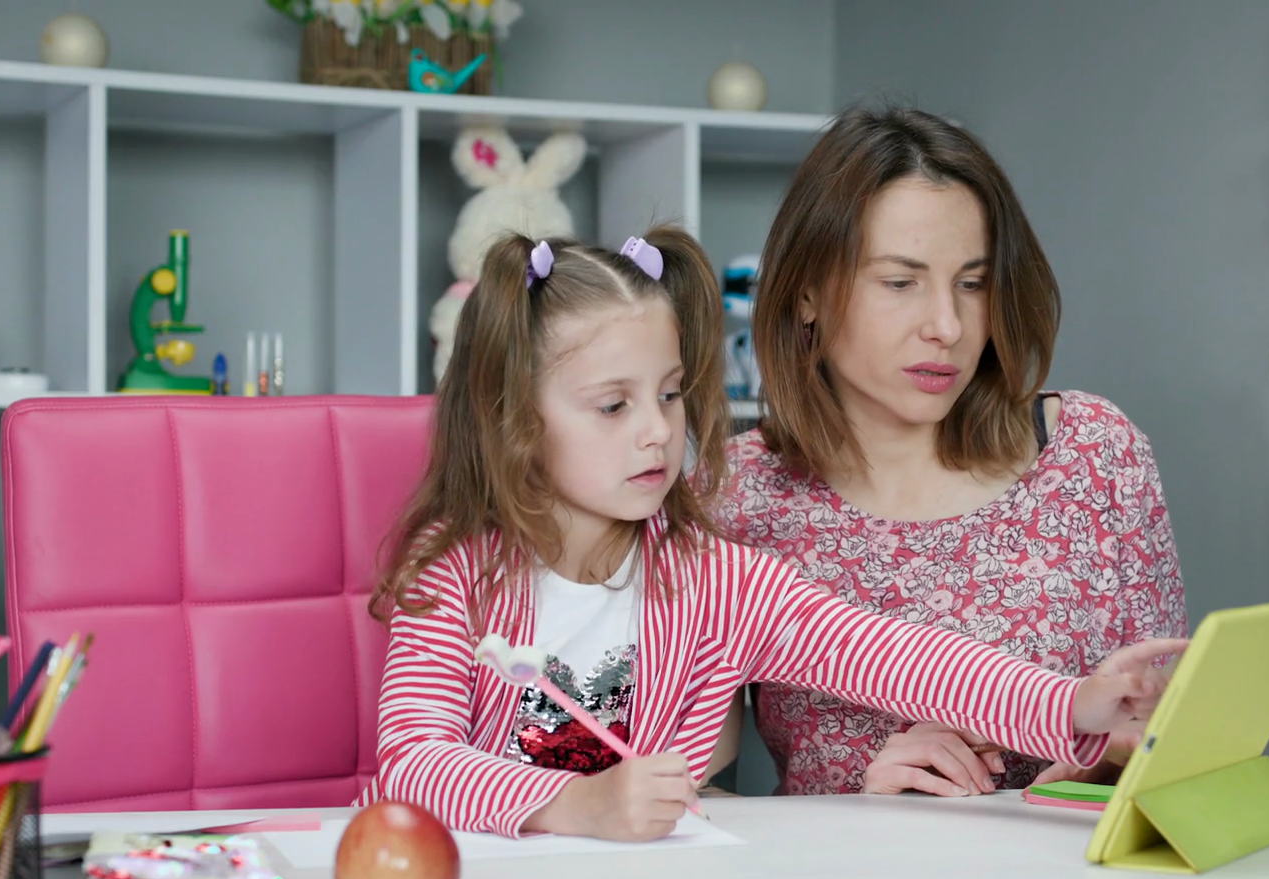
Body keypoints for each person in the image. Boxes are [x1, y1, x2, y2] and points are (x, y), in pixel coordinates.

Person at [358, 225, 1186, 840]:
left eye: (670, 394)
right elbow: (412, 763)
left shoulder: (718, 581)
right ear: (512, 419)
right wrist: (577, 803)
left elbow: (897, 656)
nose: (657, 432)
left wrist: (1070, 703)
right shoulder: (453, 576)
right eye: (613, 405)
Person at [716, 105, 1188, 798]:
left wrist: (1109, 759)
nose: (948, 325)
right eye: (900, 282)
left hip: (1076, 868)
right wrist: (862, 812)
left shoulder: (1097, 453)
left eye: (972, 284)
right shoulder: (734, 494)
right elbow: (689, 802)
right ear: (807, 293)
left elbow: (1170, 740)